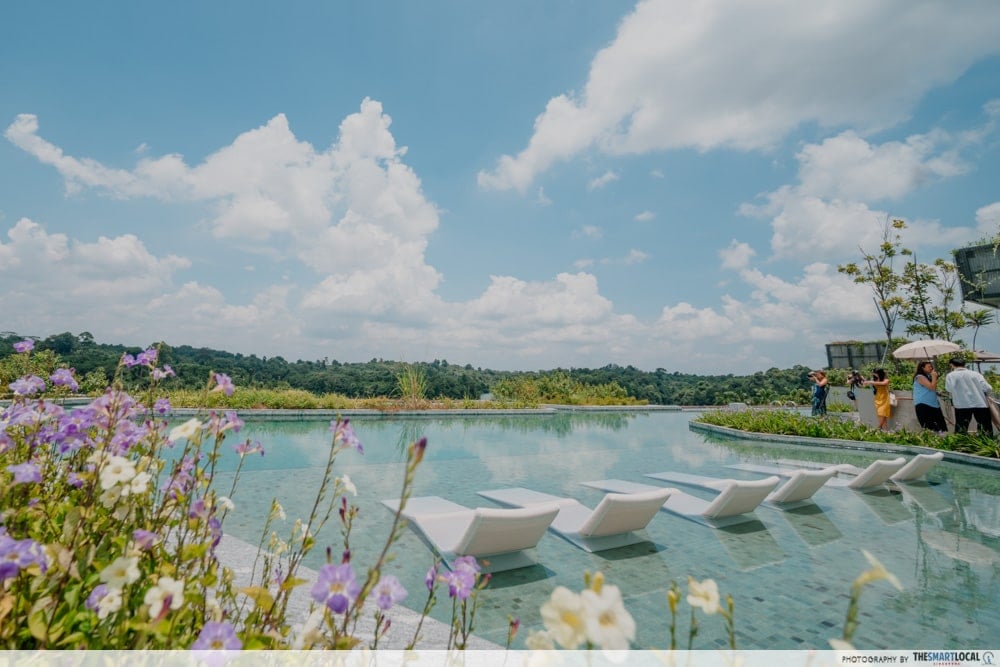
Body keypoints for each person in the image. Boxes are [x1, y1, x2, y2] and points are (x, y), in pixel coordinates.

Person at [944, 357, 994, 435]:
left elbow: (949, 389)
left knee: (961, 427)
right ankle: (986, 443)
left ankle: (960, 445)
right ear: (964, 364)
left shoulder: (951, 375)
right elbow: (988, 388)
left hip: (962, 404)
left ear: (952, 365)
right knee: (985, 427)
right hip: (980, 403)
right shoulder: (976, 374)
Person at [912, 361, 947, 432]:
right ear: (922, 368)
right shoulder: (919, 377)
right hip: (924, 404)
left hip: (933, 404)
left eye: (931, 366)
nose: (931, 368)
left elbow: (931, 389)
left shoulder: (927, 376)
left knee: (941, 427)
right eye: (929, 367)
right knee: (930, 427)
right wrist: (934, 377)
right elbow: (932, 387)